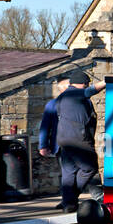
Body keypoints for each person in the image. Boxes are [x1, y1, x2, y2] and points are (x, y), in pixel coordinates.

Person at [54, 70, 107, 212]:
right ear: (83, 83)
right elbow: (91, 90)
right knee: (90, 168)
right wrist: (107, 81)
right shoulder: (75, 93)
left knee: (69, 172)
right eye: (86, 83)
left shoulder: (61, 97)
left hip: (64, 139)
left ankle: (68, 204)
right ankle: (70, 198)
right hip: (78, 139)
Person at [38, 76, 71, 210]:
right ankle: (66, 200)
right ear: (63, 89)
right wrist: (43, 145)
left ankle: (96, 196)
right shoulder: (52, 104)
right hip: (61, 145)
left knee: (85, 170)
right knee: (66, 174)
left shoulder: (81, 101)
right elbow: (45, 126)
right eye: (70, 86)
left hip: (80, 143)